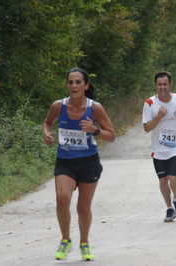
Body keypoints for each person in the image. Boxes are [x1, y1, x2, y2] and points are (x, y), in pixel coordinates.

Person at [43, 67, 116, 261]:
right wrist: (46, 133)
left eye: (78, 82)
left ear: (86, 85)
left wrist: (95, 130)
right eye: (70, 82)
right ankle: (65, 239)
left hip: (88, 162)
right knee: (62, 198)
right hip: (65, 162)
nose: (73, 86)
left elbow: (112, 136)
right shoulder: (59, 106)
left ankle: (84, 242)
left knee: (83, 208)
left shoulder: (95, 108)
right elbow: (48, 122)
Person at [142, 71, 176, 222]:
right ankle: (169, 208)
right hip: (158, 149)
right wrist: (158, 116)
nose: (162, 87)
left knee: (173, 177)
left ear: (170, 84)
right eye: (159, 84)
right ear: (155, 85)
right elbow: (146, 128)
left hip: (175, 147)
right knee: (163, 181)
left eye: (165, 84)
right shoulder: (150, 103)